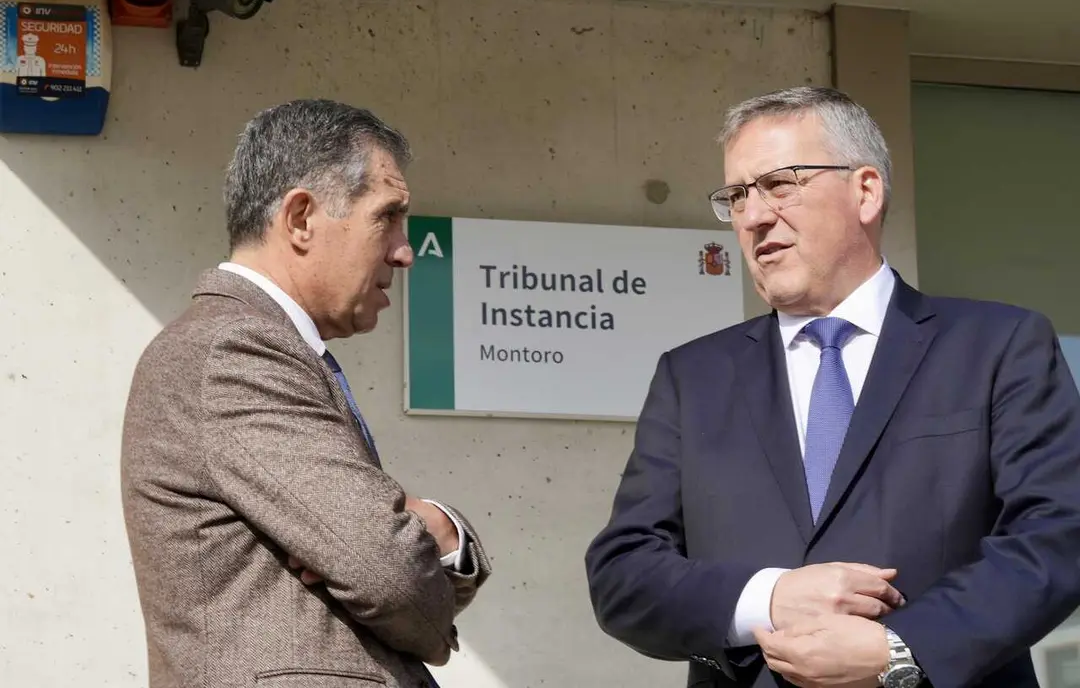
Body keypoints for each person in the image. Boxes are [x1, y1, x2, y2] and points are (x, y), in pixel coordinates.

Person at [584, 86, 1080, 688]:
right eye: (737, 195)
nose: (755, 215)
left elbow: (1056, 536)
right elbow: (623, 573)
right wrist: (769, 598)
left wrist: (901, 650)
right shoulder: (693, 378)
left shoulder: (997, 346)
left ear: (865, 191)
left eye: (780, 183)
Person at [121, 99, 491, 688]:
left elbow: (382, 563)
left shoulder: (251, 344)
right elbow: (387, 569)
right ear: (300, 219)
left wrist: (433, 532)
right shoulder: (236, 349)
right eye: (388, 217)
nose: (405, 249)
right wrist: (435, 537)